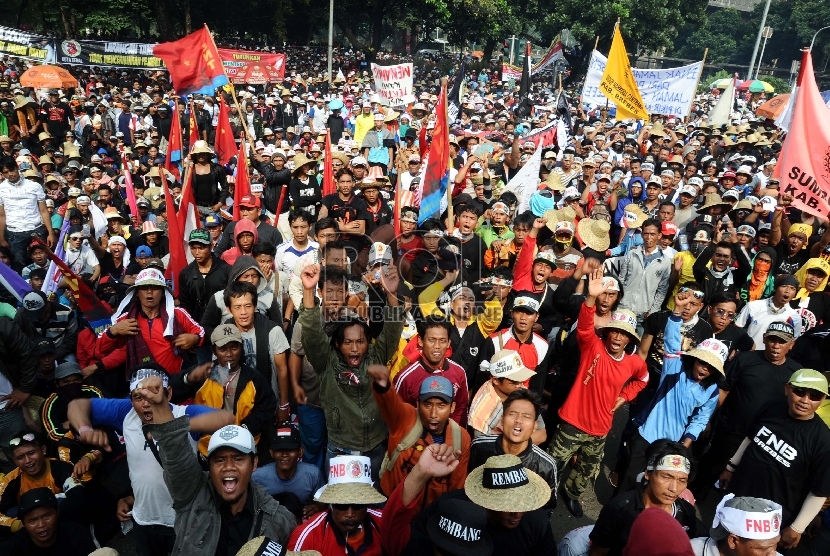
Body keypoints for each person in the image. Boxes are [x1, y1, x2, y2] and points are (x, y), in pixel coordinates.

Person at [137, 375, 296, 555]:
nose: (228, 466)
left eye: (238, 458)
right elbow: (176, 454)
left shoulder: (280, 522)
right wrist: (160, 406)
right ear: (209, 466)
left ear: (254, 464)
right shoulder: (192, 495)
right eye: (219, 460)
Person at [549, 269, 649, 517]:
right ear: (607, 333)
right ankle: (545, 496)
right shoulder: (592, 346)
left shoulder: (633, 363)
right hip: (573, 422)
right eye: (614, 331)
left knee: (586, 469)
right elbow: (584, 326)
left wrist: (624, 397)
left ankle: (571, 494)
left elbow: (643, 379)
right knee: (554, 464)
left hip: (601, 430)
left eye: (624, 334)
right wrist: (591, 298)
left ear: (629, 340)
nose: (617, 337)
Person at [615, 291, 726, 495]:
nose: (704, 369)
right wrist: (676, 313)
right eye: (702, 362)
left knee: (653, 487)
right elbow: (672, 344)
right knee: (629, 481)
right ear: (694, 359)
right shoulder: (675, 369)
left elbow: (701, 419)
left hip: (671, 444)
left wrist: (684, 445)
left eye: (710, 367)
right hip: (646, 434)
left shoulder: (711, 390)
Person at [298, 262, 403, 478]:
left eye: (360, 341)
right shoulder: (326, 361)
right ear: (337, 344)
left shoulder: (376, 356)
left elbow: (393, 329)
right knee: (342, 509)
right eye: (348, 342)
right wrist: (309, 290)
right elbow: (311, 333)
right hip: (340, 451)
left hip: (376, 448)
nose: (355, 348)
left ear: (368, 342)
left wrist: (391, 295)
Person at [719, 369, 830, 550]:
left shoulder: (823, 441)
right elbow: (750, 438)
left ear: (823, 399)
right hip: (738, 495)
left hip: (770, 518)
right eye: (799, 392)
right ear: (787, 389)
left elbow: (819, 491)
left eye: (814, 396)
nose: (805, 400)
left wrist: (796, 528)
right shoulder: (771, 407)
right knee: (721, 542)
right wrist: (731, 467)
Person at [692, 321, 802, 501]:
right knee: (709, 469)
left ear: (791, 345)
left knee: (745, 483)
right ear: (765, 339)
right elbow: (723, 390)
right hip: (730, 431)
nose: (776, 346)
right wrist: (708, 419)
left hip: (764, 439)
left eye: (782, 342)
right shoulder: (745, 359)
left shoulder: (797, 373)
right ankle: (689, 504)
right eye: (772, 340)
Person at [383, 448, 555, 556]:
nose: (516, 513)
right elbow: (395, 530)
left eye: (522, 503)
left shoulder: (537, 523)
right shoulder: (449, 507)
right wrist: (420, 473)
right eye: (508, 505)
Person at [369, 364, 470, 507]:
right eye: (427, 405)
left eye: (441, 406)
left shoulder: (461, 437)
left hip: (431, 514)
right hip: (394, 505)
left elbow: (456, 486)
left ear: (452, 407)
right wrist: (383, 386)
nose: (433, 414)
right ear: (418, 404)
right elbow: (391, 404)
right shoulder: (405, 420)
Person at [179, 323, 279, 457]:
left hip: (243, 445)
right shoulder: (203, 374)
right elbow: (174, 393)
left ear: (241, 348)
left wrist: (244, 428)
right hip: (208, 447)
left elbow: (267, 407)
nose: (229, 354)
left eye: (234, 347)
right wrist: (187, 379)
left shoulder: (254, 378)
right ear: (214, 351)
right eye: (223, 349)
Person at [585, 440, 698, 556]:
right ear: (648, 474)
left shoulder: (687, 514)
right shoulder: (619, 509)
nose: (674, 488)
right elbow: (598, 552)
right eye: (666, 477)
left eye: (682, 480)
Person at [97, 268, 204, 373]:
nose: (149, 292)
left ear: (163, 292)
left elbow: (201, 332)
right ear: (137, 293)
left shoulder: (178, 314)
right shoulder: (126, 319)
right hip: (139, 384)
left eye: (155, 287)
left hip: (173, 382)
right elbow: (100, 349)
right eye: (144, 288)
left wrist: (195, 338)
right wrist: (113, 331)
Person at [469, 388, 558, 508]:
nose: (518, 421)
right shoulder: (480, 447)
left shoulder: (546, 466)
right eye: (513, 414)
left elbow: (546, 508)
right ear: (502, 420)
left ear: (534, 426)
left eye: (526, 416)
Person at [288, 454, 385, 554]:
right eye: (342, 506)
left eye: (358, 505)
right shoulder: (308, 536)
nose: (350, 514)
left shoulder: (384, 523)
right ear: (331, 505)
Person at [0, 432, 84, 534]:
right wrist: (20, 525)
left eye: (31, 453)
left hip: (62, 520)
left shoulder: (61, 468)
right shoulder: (10, 481)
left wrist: (49, 519)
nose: (27, 461)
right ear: (15, 461)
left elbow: (78, 495)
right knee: (10, 513)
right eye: (20, 457)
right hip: (31, 527)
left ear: (43, 450)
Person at [393, 317, 470, 426]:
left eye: (442, 341)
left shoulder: (459, 372)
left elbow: (461, 411)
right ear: (420, 341)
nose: (437, 346)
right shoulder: (405, 378)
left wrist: (455, 438)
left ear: (448, 343)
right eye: (431, 340)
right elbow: (396, 416)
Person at [468, 349, 545, 443]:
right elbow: (484, 448)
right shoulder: (482, 413)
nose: (520, 385)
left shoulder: (519, 390)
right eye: (514, 381)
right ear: (496, 380)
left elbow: (542, 434)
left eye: (521, 380)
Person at [251, 424, 325, 519]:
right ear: (271, 453)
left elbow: (324, 500)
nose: (285, 454)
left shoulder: (313, 474)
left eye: (290, 450)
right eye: (279, 450)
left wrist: (317, 507)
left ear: (300, 452)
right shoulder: (257, 477)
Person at [0, 487, 97, 556]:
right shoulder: (14, 546)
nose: (41, 525)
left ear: (57, 512)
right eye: (33, 520)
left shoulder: (77, 534)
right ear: (24, 523)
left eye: (47, 516)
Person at [0, 156, 57, 272]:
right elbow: (1, 215)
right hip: (14, 232)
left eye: (12, 170)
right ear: (2, 174)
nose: (10, 174)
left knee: (44, 263)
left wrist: (50, 233)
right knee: (18, 265)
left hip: (36, 230)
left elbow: (44, 211)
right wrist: (1, 238)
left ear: (17, 168)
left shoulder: (34, 186)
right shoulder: (1, 189)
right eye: (5, 172)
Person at [615, 218, 672, 326]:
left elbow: (662, 290)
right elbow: (621, 279)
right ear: (642, 234)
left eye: (652, 234)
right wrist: (617, 301)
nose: (649, 238)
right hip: (623, 307)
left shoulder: (665, 261)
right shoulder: (632, 254)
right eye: (646, 234)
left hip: (644, 313)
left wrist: (653, 310)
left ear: (659, 235)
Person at [690, 494, 783, 556]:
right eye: (762, 548)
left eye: (775, 544)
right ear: (733, 541)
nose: (773, 554)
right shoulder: (689, 552)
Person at [735, 274, 802, 349]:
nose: (787, 291)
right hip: (747, 355)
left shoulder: (795, 318)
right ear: (776, 288)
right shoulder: (753, 306)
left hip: (772, 359)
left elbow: (792, 342)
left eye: (792, 288)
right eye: (784, 286)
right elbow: (736, 330)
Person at [178, 228, 231, 323]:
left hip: (222, 324)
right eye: (193, 248)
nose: (197, 252)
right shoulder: (185, 274)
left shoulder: (226, 270)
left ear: (211, 246)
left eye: (201, 248)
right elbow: (185, 306)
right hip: (196, 326)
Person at [14, 290, 80, 362]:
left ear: (48, 304)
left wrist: (56, 354)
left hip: (60, 350)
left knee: (71, 365)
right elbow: (17, 338)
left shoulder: (66, 313)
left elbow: (72, 338)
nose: (36, 316)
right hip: (33, 351)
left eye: (39, 312)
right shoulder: (22, 314)